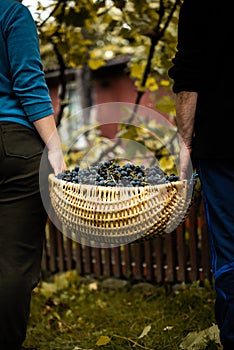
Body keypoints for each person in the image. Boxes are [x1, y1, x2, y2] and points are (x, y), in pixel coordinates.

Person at [0, 0, 66, 349]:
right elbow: (28, 80)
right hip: (16, 145)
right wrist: (54, 146)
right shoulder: (11, 11)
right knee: (13, 265)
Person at [168, 0, 234, 349]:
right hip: (223, 145)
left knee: (231, 252)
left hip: (223, 143)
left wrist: (185, 145)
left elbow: (189, 71)